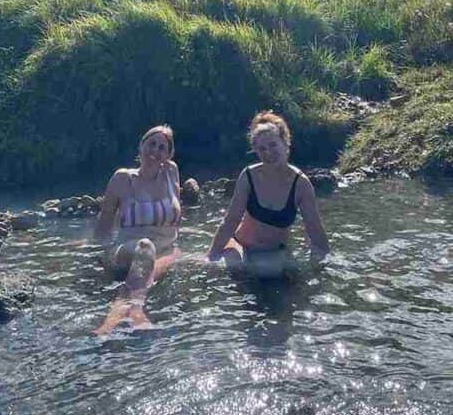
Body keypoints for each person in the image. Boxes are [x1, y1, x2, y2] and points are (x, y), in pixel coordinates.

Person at [207, 111, 330, 278]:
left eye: (273, 145)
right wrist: (210, 256)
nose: (268, 152)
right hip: (240, 245)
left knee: (288, 284)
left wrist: (324, 267)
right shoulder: (249, 176)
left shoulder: (301, 184)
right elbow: (230, 221)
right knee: (234, 269)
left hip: (274, 252)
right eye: (261, 149)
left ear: (285, 143)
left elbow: (315, 232)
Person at [93, 125, 181, 333]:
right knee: (145, 247)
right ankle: (136, 310)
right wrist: (98, 253)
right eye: (151, 144)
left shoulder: (172, 173)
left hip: (165, 251)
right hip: (129, 249)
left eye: (162, 147)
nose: (155, 150)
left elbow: (175, 219)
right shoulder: (122, 178)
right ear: (141, 146)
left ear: (168, 155)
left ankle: (107, 325)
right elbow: (105, 220)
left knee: (143, 272)